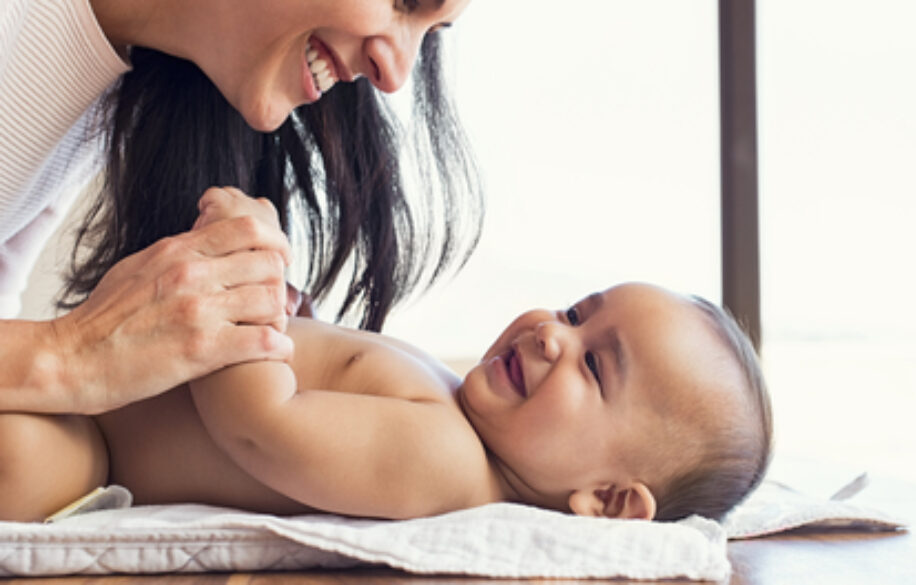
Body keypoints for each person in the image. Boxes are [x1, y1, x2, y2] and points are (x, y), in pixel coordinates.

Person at [0, 1, 480, 414]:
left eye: (430, 35)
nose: (395, 77)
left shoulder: (98, 81)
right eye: (405, 0)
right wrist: (71, 352)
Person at [0, 282, 773, 523]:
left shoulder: (447, 463)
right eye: (576, 313)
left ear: (607, 499)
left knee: (21, 459)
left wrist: (242, 294)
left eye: (594, 366)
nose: (549, 334)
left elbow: (262, 428)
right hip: (100, 389)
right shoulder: (457, 409)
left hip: (95, 444)